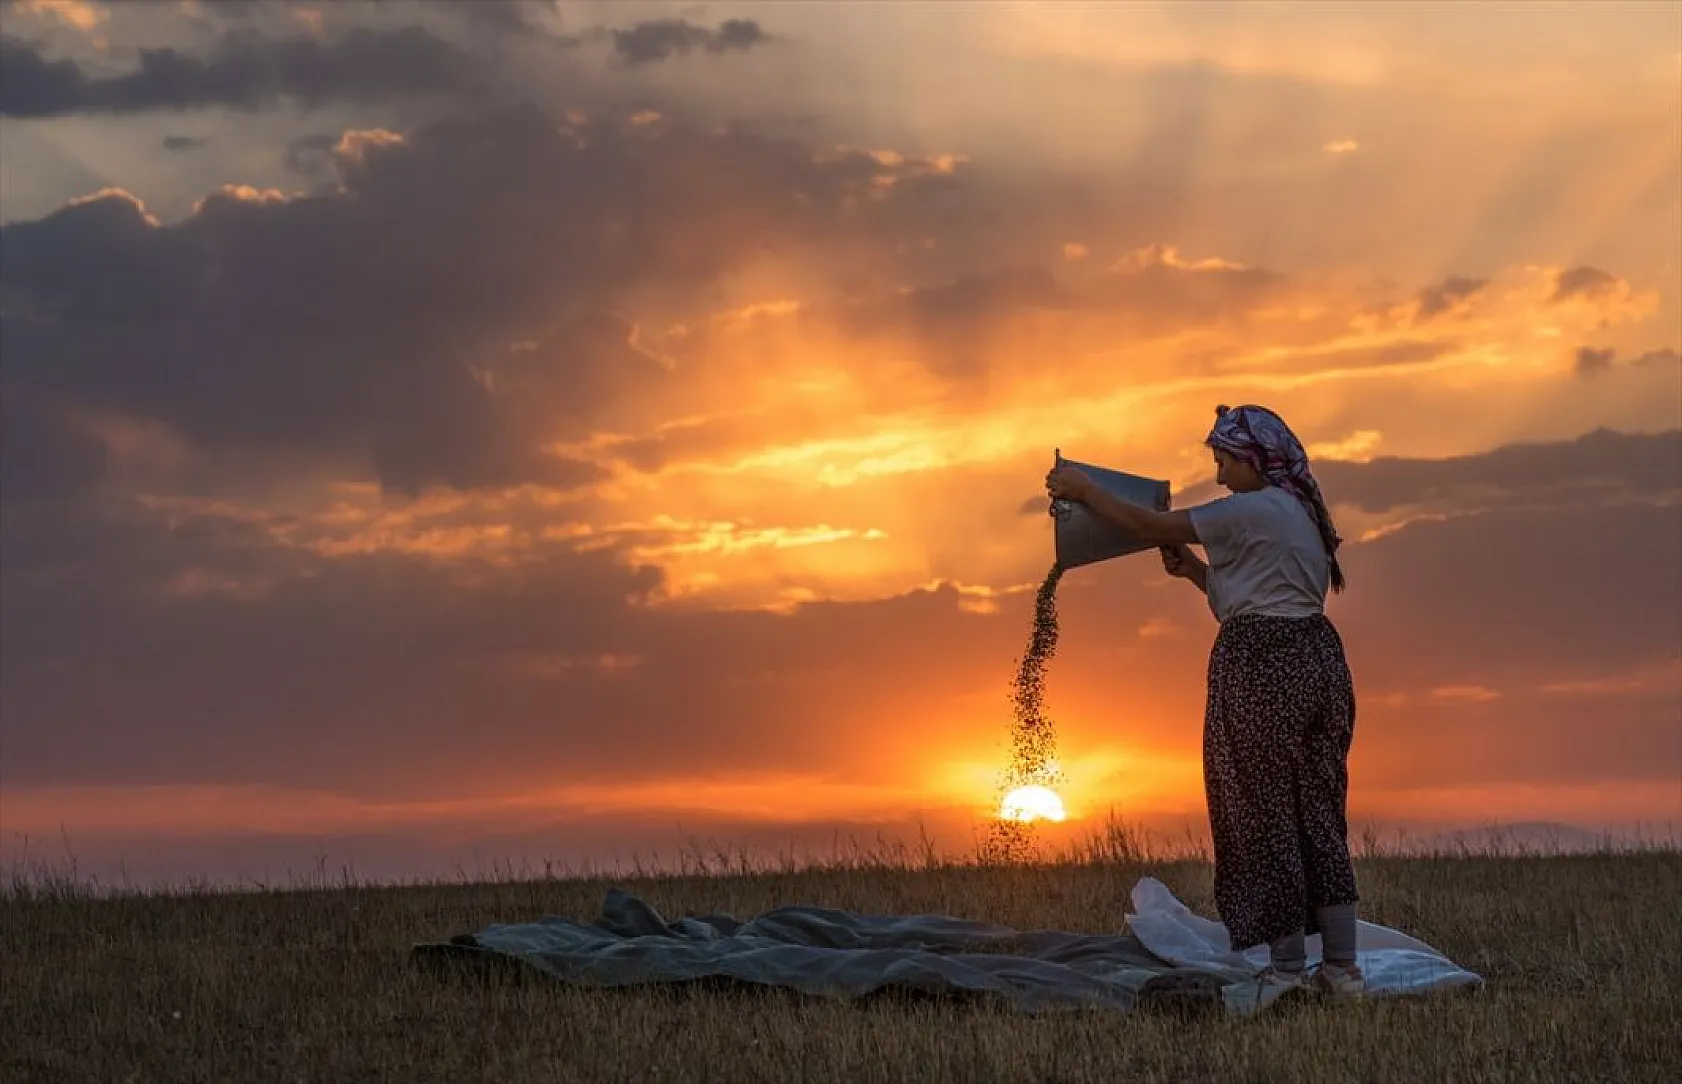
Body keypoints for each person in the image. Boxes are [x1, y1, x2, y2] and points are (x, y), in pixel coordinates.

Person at [1045, 404, 1364, 1001]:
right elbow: (1248, 596)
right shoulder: (1298, 511)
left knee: (1263, 812)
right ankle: (1342, 970)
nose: (1218, 475)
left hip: (1261, 666)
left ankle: (1287, 970)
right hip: (1319, 659)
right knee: (1318, 814)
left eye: (1222, 460)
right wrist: (1194, 571)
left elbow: (1149, 526)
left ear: (1251, 459)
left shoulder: (1250, 508)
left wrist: (1083, 489)